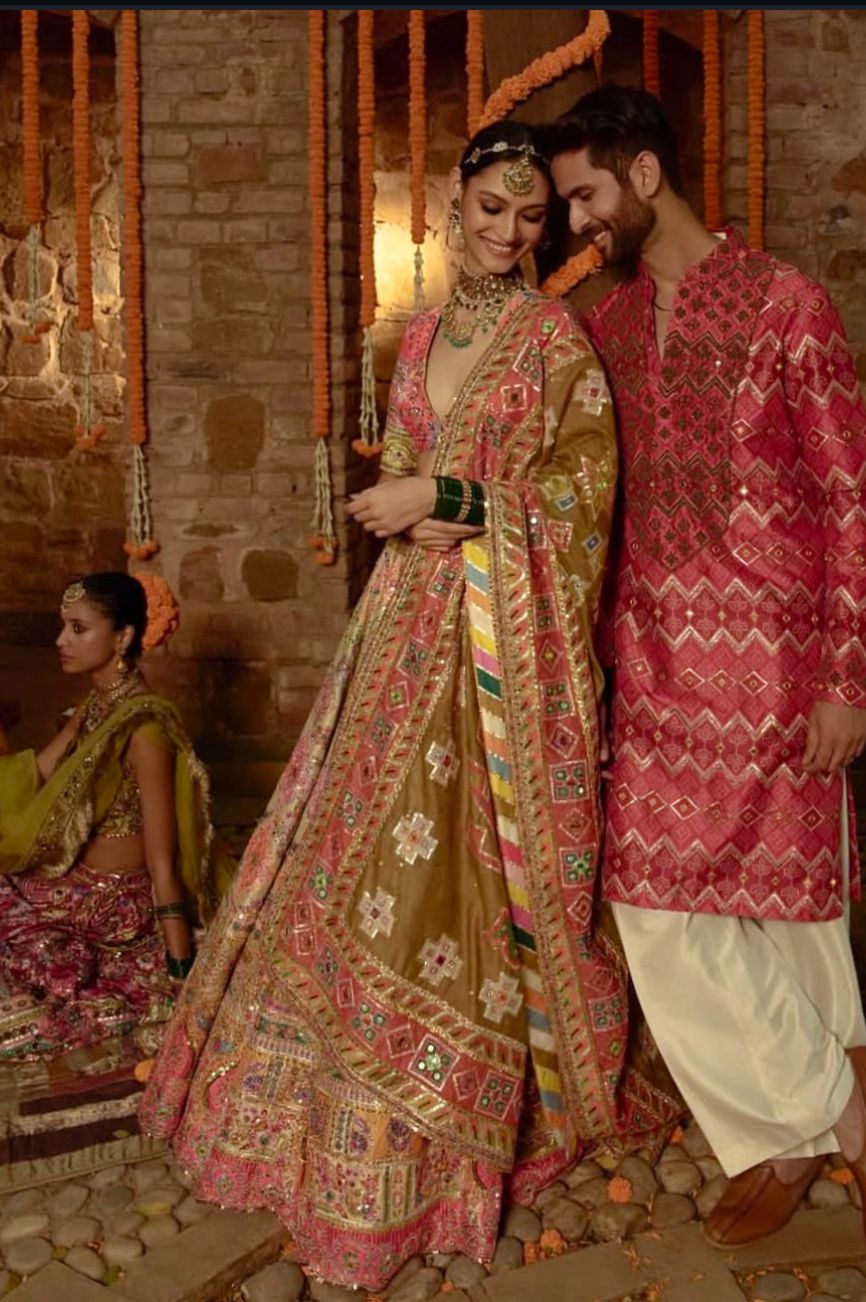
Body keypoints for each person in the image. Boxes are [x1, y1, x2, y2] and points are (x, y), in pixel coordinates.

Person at [140, 121, 678, 1293]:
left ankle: (441, 1137)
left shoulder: (556, 344)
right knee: (350, 846)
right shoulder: (420, 335)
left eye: (531, 216)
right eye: (492, 209)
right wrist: (411, 504)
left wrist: (456, 501)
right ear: (454, 202)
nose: (511, 232)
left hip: (493, 653)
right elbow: (398, 468)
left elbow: (585, 497)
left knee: (455, 868)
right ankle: (307, 1101)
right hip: (399, 631)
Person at [544, 88, 866, 1261]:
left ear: (646, 175)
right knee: (655, 907)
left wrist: (848, 675)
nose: (577, 223)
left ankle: (786, 1138)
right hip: (654, 667)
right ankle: (842, 1097)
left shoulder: (788, 303)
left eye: (586, 195)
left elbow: (851, 497)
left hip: (783, 669)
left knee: (796, 917)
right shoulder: (606, 326)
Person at [0, 572, 217, 1060]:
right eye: (63, 627)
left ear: (122, 637)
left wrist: (181, 972)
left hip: (113, 907)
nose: (61, 641)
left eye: (78, 629)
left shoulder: (145, 729)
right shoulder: (96, 704)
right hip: (71, 880)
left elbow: (163, 862)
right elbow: (36, 773)